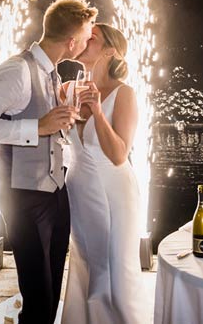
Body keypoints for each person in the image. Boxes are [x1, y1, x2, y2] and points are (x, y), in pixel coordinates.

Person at [0, 0, 98, 324]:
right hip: (24, 197)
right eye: (87, 34)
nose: (89, 39)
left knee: (51, 291)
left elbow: (48, 124)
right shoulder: (17, 71)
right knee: (38, 296)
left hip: (55, 192)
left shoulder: (50, 72)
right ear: (71, 41)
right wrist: (38, 127)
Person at [61, 23, 147, 324]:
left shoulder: (124, 94)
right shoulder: (67, 89)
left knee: (115, 268)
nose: (84, 39)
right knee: (84, 264)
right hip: (78, 191)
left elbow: (119, 155)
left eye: (92, 38)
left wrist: (97, 110)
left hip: (115, 193)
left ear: (110, 51)